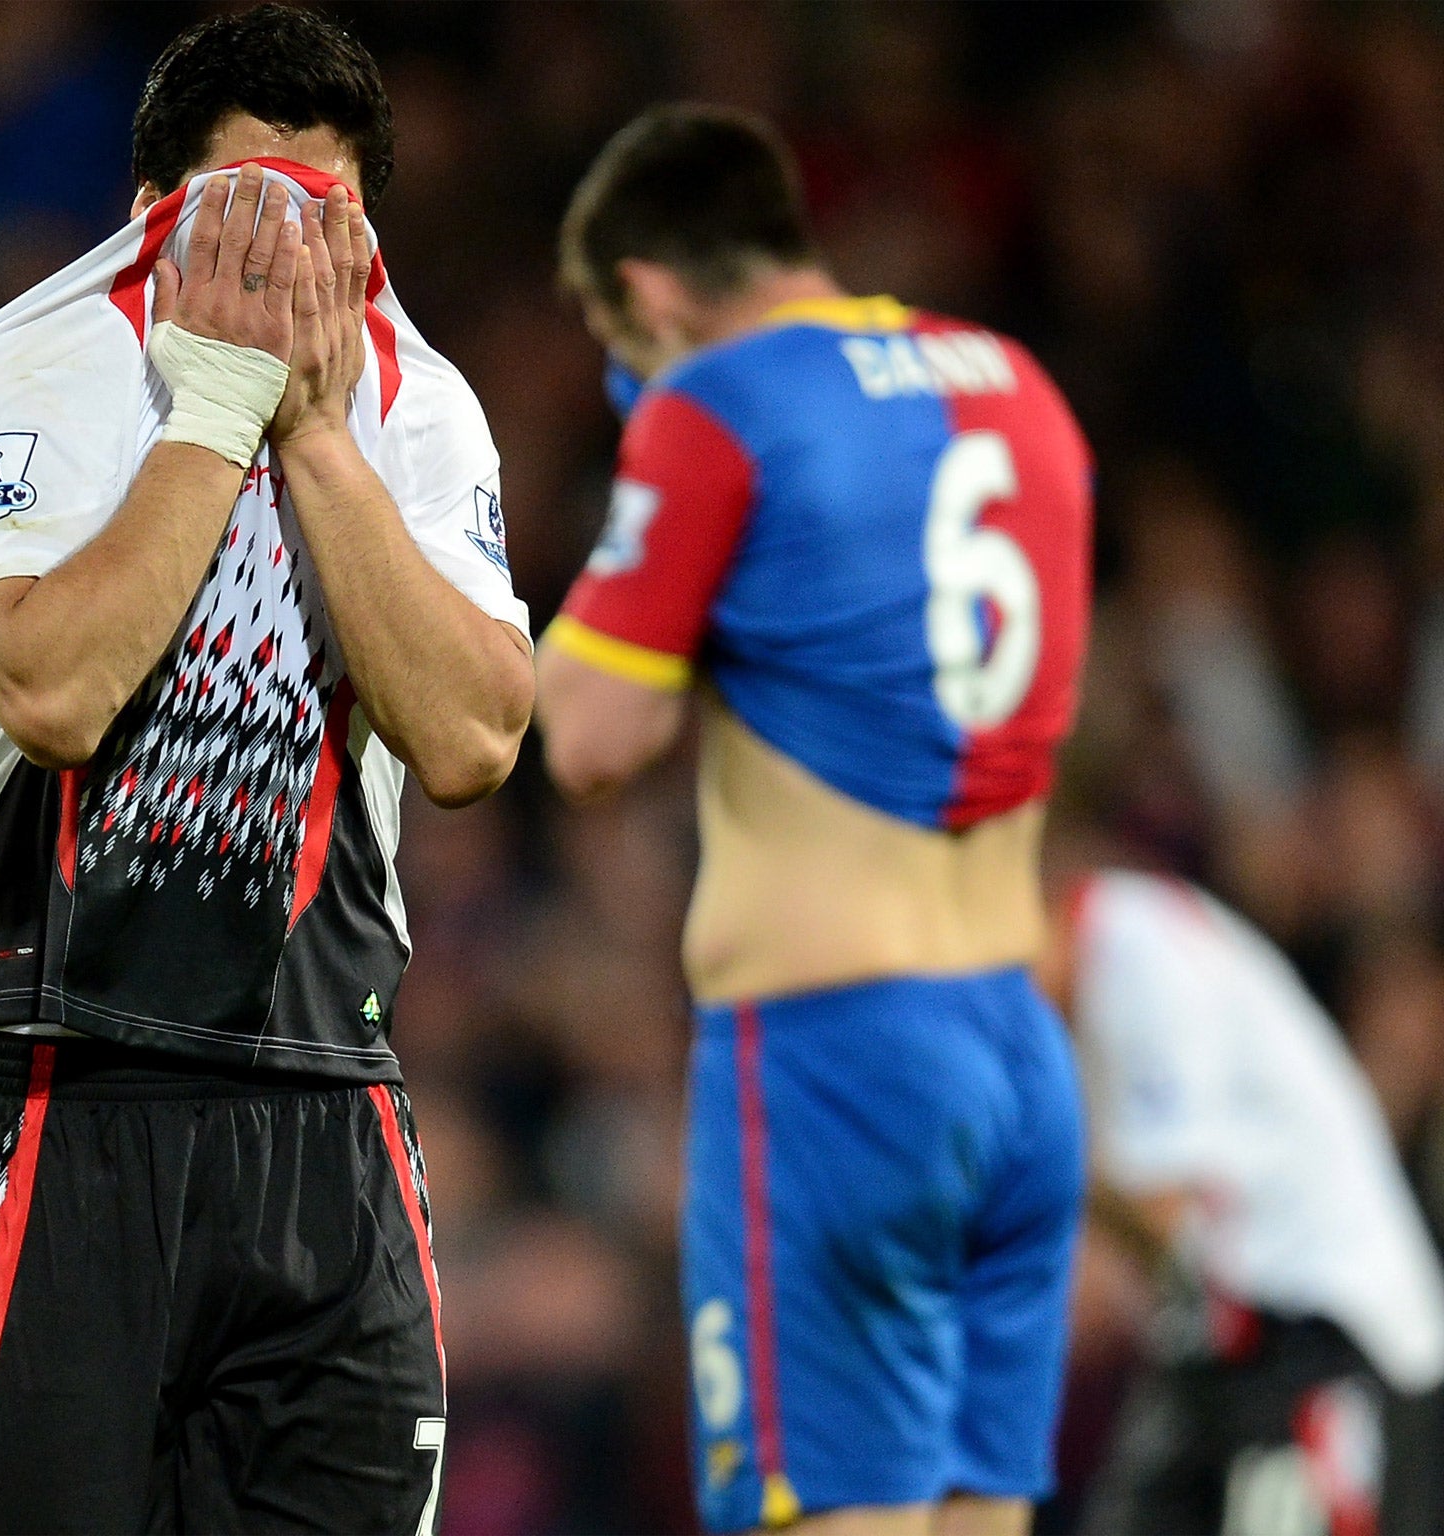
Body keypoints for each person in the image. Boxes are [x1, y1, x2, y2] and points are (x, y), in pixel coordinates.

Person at [0, 8, 534, 1533]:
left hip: (331, 1115)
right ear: (151, 213)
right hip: (65, 1101)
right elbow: (53, 690)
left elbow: (471, 740)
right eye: (238, 210)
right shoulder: (31, 370)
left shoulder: (416, 404)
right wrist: (213, 410)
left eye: (320, 221)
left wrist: (313, 437)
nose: (280, 259)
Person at [535, 106, 1094, 1534]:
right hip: (1019, 1042)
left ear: (651, 292)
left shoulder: (715, 405)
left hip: (839, 1052)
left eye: (616, 332)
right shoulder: (1016, 383)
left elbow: (588, 738)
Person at [1042, 867, 1444, 1536]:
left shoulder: (1134, 943)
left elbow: (1158, 1209)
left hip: (1324, 1333)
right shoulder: (1086, 999)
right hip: (1222, 1347)